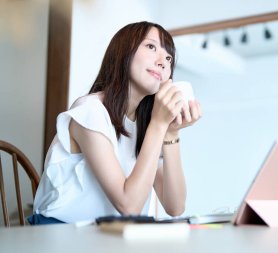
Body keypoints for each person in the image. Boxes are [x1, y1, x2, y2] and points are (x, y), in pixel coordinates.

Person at [28, 21, 202, 225]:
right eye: (151, 47)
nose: (163, 61)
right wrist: (158, 125)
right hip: (61, 235)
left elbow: (175, 206)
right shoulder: (91, 111)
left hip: (108, 238)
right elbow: (128, 206)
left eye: (169, 57)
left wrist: (171, 133)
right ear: (123, 52)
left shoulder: (147, 125)